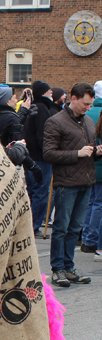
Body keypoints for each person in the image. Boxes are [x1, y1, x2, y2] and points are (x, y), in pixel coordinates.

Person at [43, 82, 102, 287]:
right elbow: (48, 153)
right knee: (61, 227)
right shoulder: (55, 121)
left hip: (86, 181)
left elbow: (89, 150)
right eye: (85, 103)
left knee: (75, 227)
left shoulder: (87, 122)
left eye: (90, 104)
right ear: (73, 99)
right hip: (66, 183)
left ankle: (69, 267)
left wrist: (96, 152)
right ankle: (57, 268)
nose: (88, 107)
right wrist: (77, 153)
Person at [24, 80, 54, 238]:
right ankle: (34, 226)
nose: (51, 93)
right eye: (49, 91)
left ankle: (29, 224)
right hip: (40, 158)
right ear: (43, 93)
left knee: (31, 191)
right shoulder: (43, 109)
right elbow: (43, 136)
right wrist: (49, 152)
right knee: (40, 193)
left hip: (29, 156)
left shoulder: (32, 107)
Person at [80, 80, 102, 254]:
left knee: (91, 202)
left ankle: (86, 236)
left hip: (89, 163)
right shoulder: (96, 113)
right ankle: (91, 239)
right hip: (98, 162)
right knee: (98, 204)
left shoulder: (87, 113)